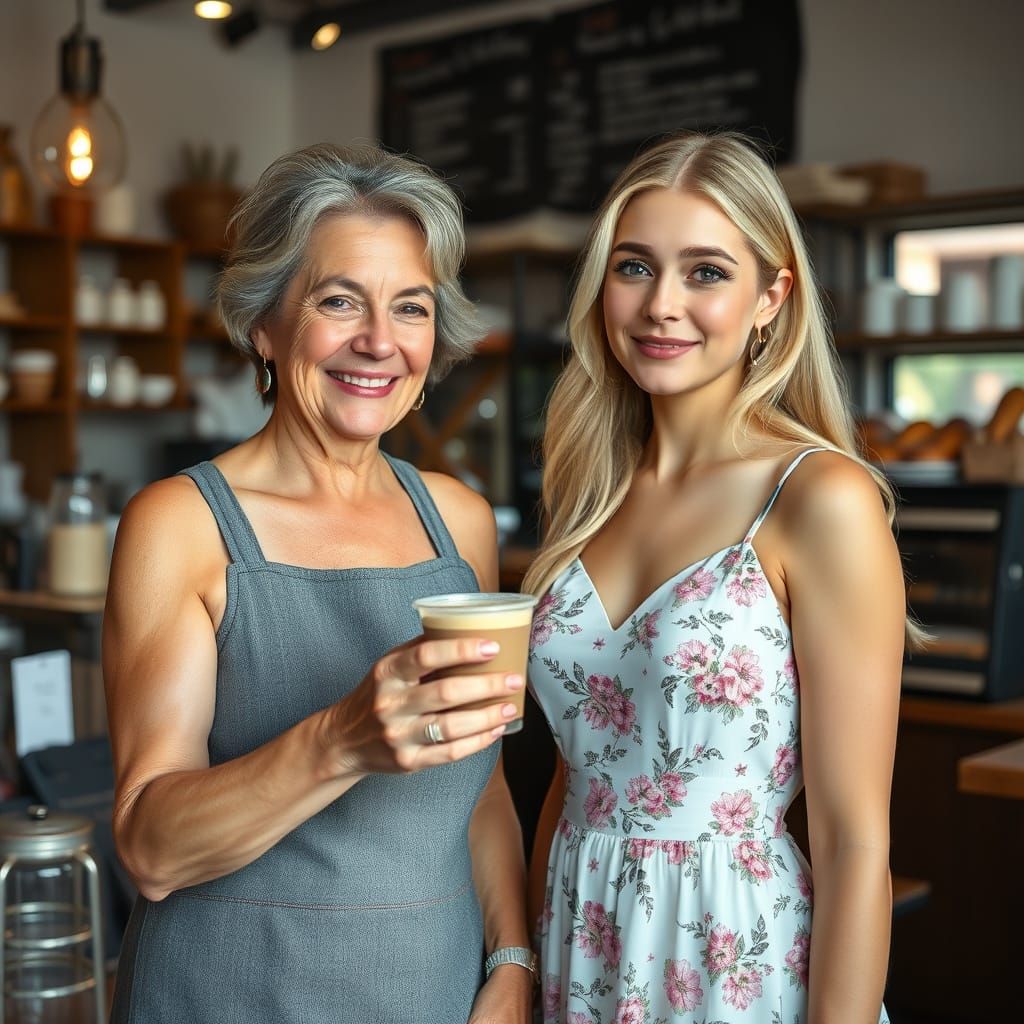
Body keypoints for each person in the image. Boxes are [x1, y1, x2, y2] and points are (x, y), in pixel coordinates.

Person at [104, 143, 533, 1024]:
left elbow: (481, 780)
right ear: (264, 322)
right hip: (228, 993)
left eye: (409, 307)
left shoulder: (459, 521)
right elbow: (150, 848)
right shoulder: (181, 525)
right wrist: (341, 739)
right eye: (340, 301)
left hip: (434, 991)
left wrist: (514, 955)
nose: (379, 341)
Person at [524, 131, 913, 1022]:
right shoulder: (587, 492)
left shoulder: (819, 498)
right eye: (634, 267)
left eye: (705, 271)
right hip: (580, 952)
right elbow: (568, 778)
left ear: (772, 296)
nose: (662, 305)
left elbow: (856, 843)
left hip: (734, 961)